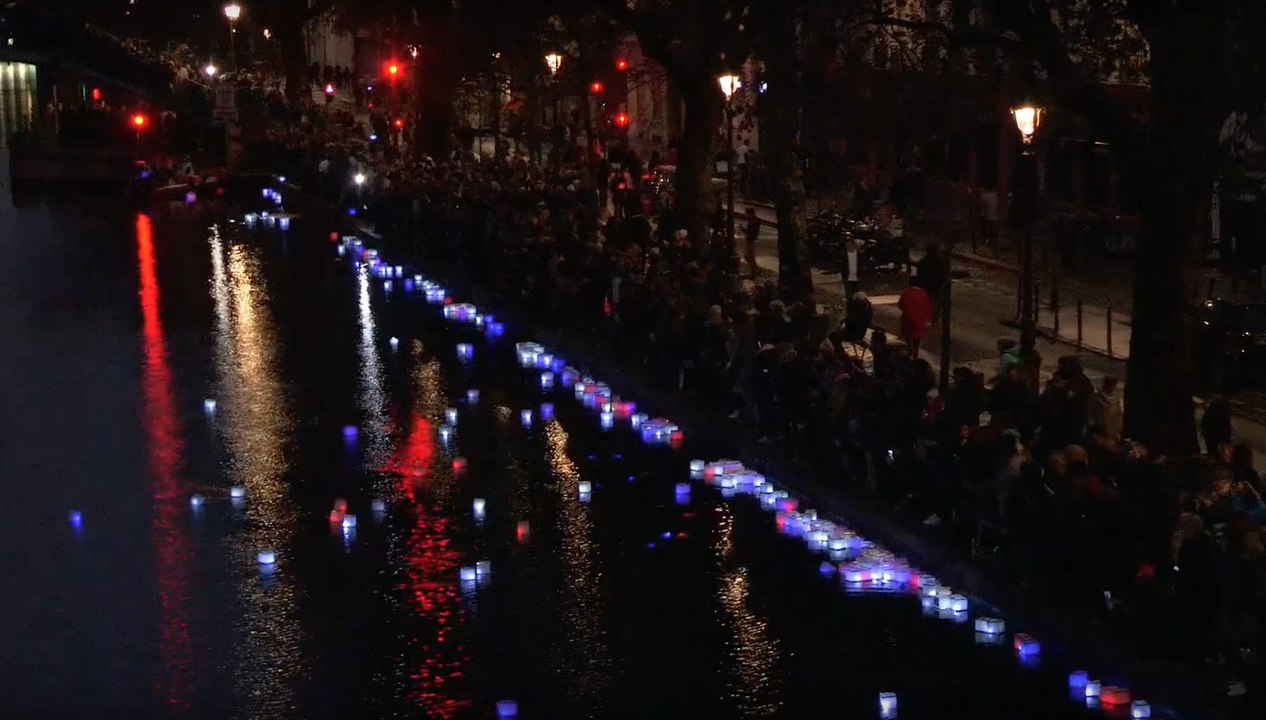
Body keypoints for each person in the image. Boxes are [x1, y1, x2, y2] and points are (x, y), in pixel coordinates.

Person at [897, 278, 932, 357]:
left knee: (908, 333)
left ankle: (910, 348)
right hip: (920, 319)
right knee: (917, 336)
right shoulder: (924, 293)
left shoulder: (906, 293)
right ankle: (915, 349)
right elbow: (928, 307)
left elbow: (900, 305)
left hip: (908, 319)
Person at [743, 208, 761, 279]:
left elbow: (751, 231)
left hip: (751, 240)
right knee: (749, 256)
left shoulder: (754, 221)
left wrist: (743, 229)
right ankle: (754, 270)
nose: (747, 215)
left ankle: (755, 270)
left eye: (748, 214)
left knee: (749, 256)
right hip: (750, 239)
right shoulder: (752, 220)